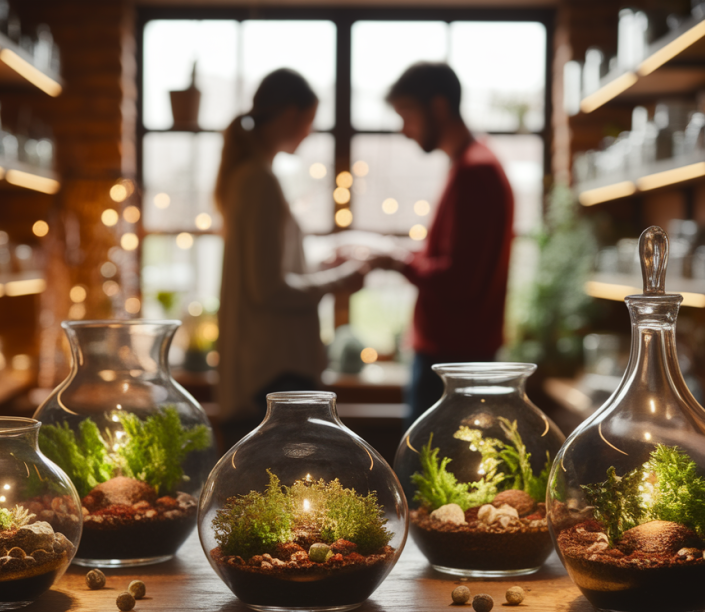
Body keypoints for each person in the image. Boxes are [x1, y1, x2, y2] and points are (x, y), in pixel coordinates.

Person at [215, 68, 368, 449]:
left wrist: (321, 270)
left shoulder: (251, 177)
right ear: (288, 113)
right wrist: (341, 279)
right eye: (309, 119)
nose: (310, 131)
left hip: (263, 369)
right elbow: (269, 289)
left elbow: (270, 275)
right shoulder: (259, 181)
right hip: (274, 374)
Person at [374, 62, 515, 428]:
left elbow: (458, 279)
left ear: (437, 106)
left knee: (429, 474)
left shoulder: (475, 171)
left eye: (407, 114)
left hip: (453, 357)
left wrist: (397, 261)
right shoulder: (470, 164)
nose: (405, 130)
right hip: (456, 352)